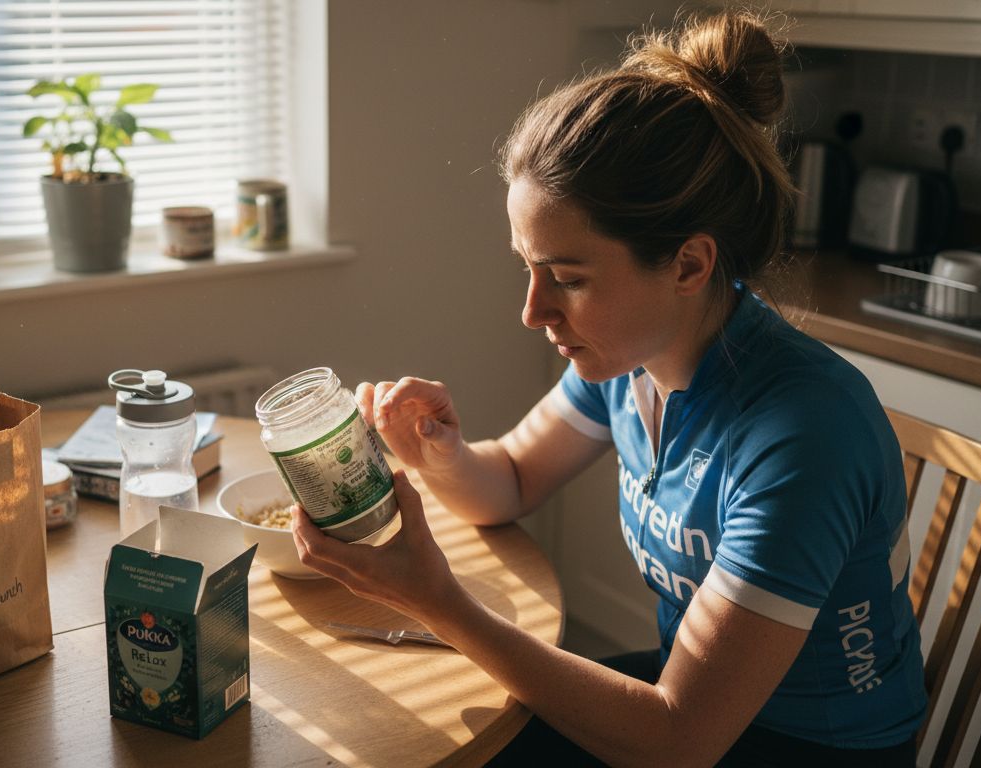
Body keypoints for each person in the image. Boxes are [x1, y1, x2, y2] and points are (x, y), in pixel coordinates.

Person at [290, 10, 926, 767]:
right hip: (687, 705)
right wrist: (438, 452)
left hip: (803, 746)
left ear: (689, 265)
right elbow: (514, 480)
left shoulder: (800, 435)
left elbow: (677, 740)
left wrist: (439, 605)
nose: (532, 311)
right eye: (527, 267)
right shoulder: (633, 360)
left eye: (567, 278)